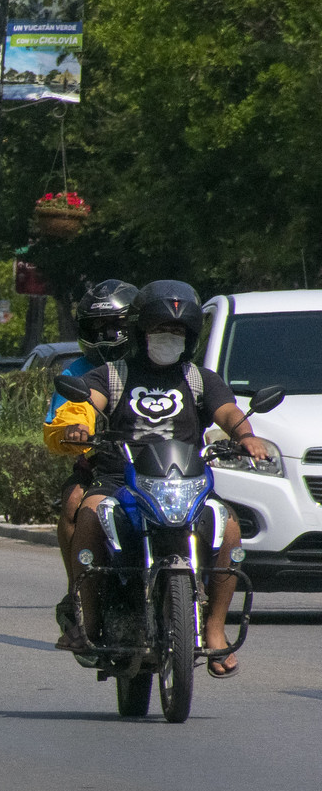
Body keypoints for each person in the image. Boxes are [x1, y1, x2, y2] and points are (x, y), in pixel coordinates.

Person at [63, 280, 268, 674]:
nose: (167, 338)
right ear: (141, 332)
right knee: (89, 514)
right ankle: (86, 622)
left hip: (183, 483)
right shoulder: (113, 374)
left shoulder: (200, 379)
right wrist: (78, 424)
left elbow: (227, 412)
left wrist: (246, 436)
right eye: (160, 330)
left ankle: (214, 630)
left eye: (176, 331)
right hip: (120, 480)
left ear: (189, 337)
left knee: (229, 529)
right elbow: (87, 402)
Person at [42, 280, 135, 641]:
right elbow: (61, 423)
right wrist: (75, 433)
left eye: (116, 327)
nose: (107, 336)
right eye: (97, 328)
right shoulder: (75, 374)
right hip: (102, 468)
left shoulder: (159, 366)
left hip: (160, 469)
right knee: (74, 504)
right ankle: (79, 595)